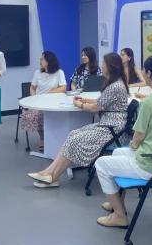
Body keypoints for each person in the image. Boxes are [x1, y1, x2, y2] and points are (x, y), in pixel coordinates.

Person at [92, 55, 152, 227]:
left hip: (150, 164)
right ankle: (117, 202)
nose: (142, 72)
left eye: (144, 70)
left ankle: (119, 216)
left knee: (101, 164)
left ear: (149, 74)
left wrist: (134, 146)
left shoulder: (149, 103)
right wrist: (135, 147)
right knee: (117, 152)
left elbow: (138, 138)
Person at [28, 53, 129, 188]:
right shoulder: (115, 84)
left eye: (104, 64)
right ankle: (50, 173)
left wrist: (79, 104)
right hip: (107, 126)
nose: (102, 66)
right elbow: (101, 102)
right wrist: (85, 99)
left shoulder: (115, 86)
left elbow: (94, 108)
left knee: (75, 139)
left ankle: (52, 176)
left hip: (113, 130)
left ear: (111, 67)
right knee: (72, 134)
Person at [20, 50, 67, 151]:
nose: (40, 61)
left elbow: (63, 88)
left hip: (54, 102)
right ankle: (42, 138)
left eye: (42, 59)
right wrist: (34, 98)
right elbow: (32, 88)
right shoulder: (37, 73)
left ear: (49, 61)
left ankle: (55, 137)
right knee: (34, 115)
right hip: (39, 102)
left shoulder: (59, 72)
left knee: (55, 116)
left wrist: (49, 93)